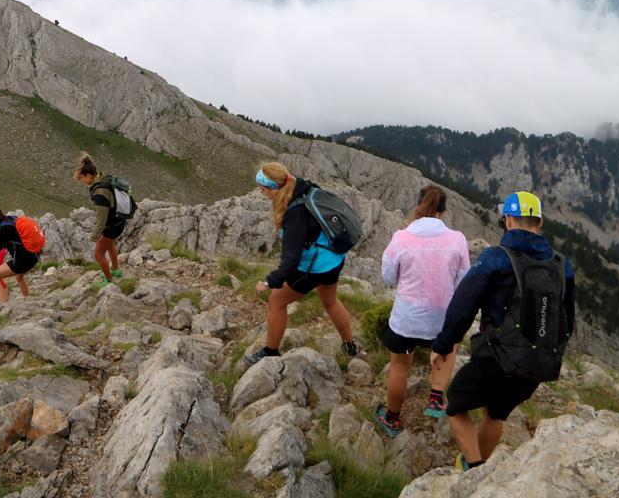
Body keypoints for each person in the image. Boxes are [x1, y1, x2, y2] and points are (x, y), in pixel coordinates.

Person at [432, 191, 575, 471]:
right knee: (496, 413)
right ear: (540, 223)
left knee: (455, 404)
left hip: (495, 358)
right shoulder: (562, 265)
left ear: (508, 221)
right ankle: (482, 466)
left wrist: (444, 344)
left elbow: (464, 304)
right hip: (537, 364)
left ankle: (474, 468)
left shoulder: (496, 257)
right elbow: (567, 319)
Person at [375, 186, 470, 437]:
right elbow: (464, 281)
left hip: (407, 318)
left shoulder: (401, 237)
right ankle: (436, 397)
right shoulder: (457, 239)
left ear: (418, 206)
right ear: (443, 211)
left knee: (399, 367)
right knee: (448, 349)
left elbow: (387, 277)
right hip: (441, 319)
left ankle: (392, 419)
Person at [243, 162, 360, 367]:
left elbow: (290, 261)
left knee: (276, 301)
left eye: (263, 188)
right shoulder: (304, 188)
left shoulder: (293, 216)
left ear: (275, 188)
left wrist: (269, 282)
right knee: (330, 301)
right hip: (334, 259)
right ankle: (350, 347)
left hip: (313, 268)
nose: (260, 191)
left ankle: (270, 352)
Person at [73, 152, 132, 287]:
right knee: (110, 244)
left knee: (98, 254)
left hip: (111, 225)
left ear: (88, 176)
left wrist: (94, 237)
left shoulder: (100, 193)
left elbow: (101, 220)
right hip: (119, 220)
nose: (82, 181)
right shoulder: (103, 178)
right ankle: (116, 270)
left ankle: (109, 281)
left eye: (82, 178)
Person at [0, 204, 41, 303]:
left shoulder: (3, 229)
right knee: (19, 277)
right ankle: (26, 299)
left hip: (22, 260)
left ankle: (3, 304)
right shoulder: (11, 219)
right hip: (34, 255)